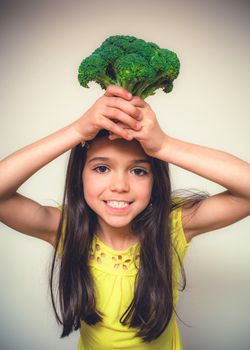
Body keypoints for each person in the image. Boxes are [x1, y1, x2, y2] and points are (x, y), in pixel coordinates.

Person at [0, 84, 249, 350]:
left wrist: (164, 145)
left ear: (156, 180)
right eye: (102, 168)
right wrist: (76, 131)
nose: (120, 185)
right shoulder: (65, 228)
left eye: (139, 171)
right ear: (79, 175)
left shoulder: (172, 226)